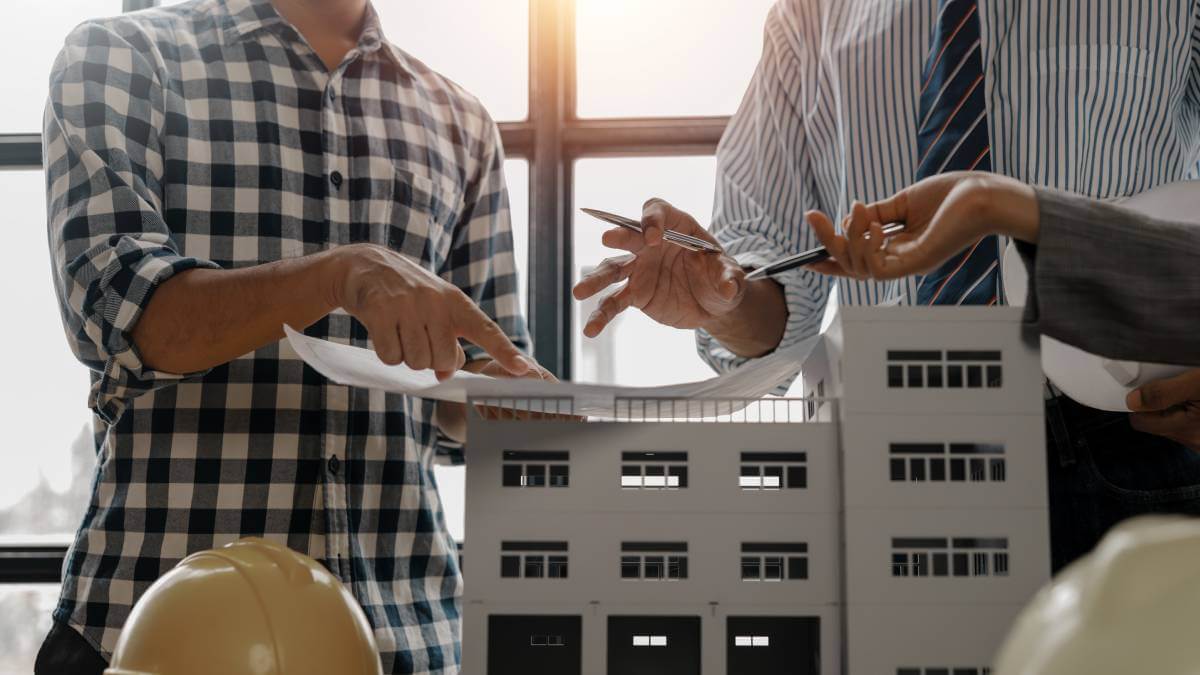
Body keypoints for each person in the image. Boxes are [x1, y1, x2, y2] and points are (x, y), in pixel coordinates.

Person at [573, 0, 1200, 572]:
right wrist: (721, 301)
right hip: (893, 455)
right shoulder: (809, 15)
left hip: (1129, 430)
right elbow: (758, 273)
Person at [37, 0, 550, 673]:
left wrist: (518, 409)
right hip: (155, 637)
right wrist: (339, 275)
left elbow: (468, 389)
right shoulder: (123, 58)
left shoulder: (463, 122)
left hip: (405, 638)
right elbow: (117, 312)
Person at [802, 171, 1200, 453]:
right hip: (892, 432)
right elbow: (759, 241)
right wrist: (987, 202)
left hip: (1123, 428)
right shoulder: (800, 55)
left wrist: (989, 203)